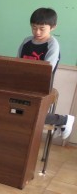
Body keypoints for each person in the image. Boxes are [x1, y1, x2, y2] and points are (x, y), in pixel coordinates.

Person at [17, 8, 74, 140]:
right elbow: (18, 62)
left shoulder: (52, 44)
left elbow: (48, 69)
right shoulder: (26, 41)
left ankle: (63, 120)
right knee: (18, 112)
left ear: (53, 27)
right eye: (34, 27)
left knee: (33, 115)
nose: (37, 32)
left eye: (42, 29)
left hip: (42, 86)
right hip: (24, 84)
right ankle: (62, 121)